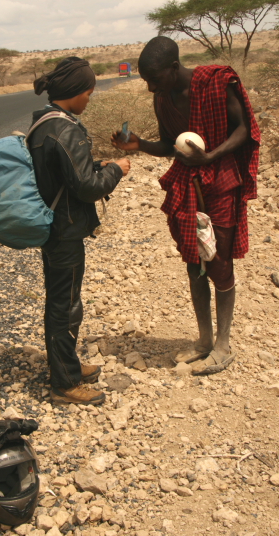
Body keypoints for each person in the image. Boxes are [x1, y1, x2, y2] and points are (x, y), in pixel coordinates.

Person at [112, 37, 260, 375]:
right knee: (195, 262)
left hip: (221, 180)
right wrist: (140, 145)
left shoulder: (216, 83)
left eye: (156, 79)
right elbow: (170, 144)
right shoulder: (163, 100)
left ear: (174, 68)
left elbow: (244, 129)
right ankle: (204, 340)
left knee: (219, 261)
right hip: (187, 182)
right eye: (146, 81)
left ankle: (223, 345)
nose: (151, 88)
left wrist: (211, 156)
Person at [30, 57, 130, 404]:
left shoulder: (44, 122)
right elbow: (87, 188)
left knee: (61, 300)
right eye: (88, 92)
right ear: (73, 92)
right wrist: (116, 169)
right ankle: (66, 384)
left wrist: (98, 164)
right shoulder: (65, 128)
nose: (90, 98)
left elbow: (66, 174)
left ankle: (67, 364)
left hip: (53, 228)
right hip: (65, 232)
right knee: (65, 306)